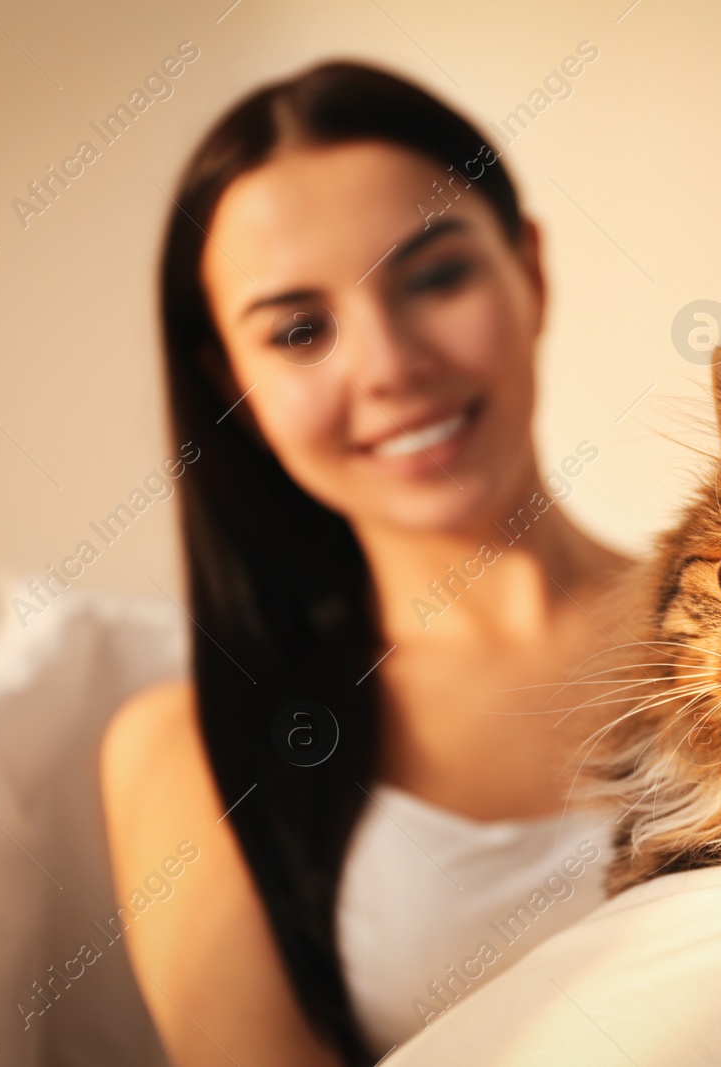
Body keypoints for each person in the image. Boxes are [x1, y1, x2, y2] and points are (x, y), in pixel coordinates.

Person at [99, 60, 634, 1067]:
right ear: (232, 381)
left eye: (433, 276)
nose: (389, 363)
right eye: (300, 331)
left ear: (531, 272)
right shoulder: (192, 745)